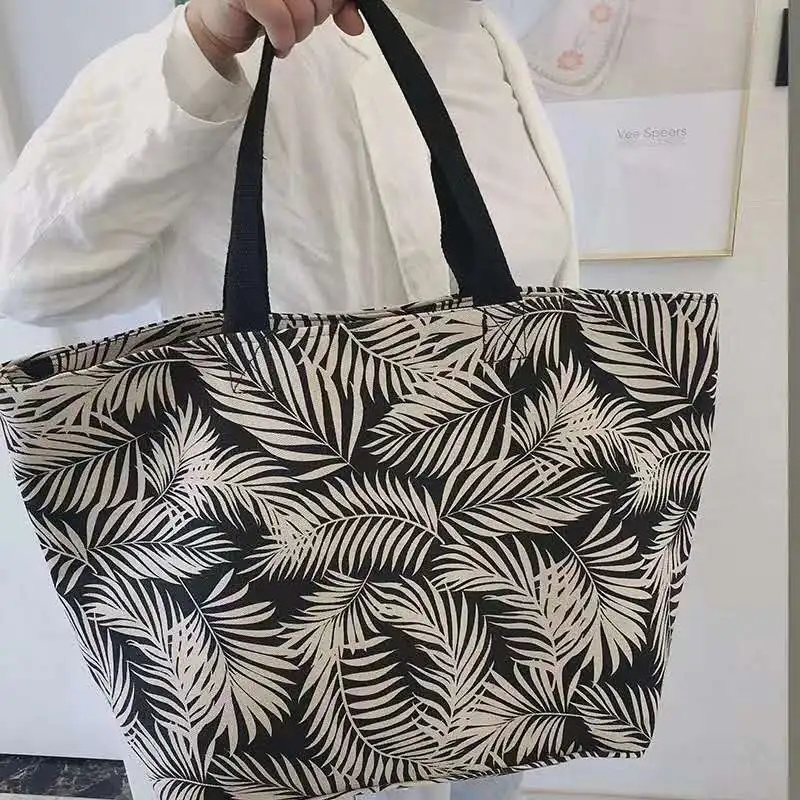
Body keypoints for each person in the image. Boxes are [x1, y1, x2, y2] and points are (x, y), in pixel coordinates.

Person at [0, 1, 579, 798]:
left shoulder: (485, 44)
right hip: (271, 677)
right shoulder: (235, 45)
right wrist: (207, 41)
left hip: (514, 650)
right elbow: (26, 276)